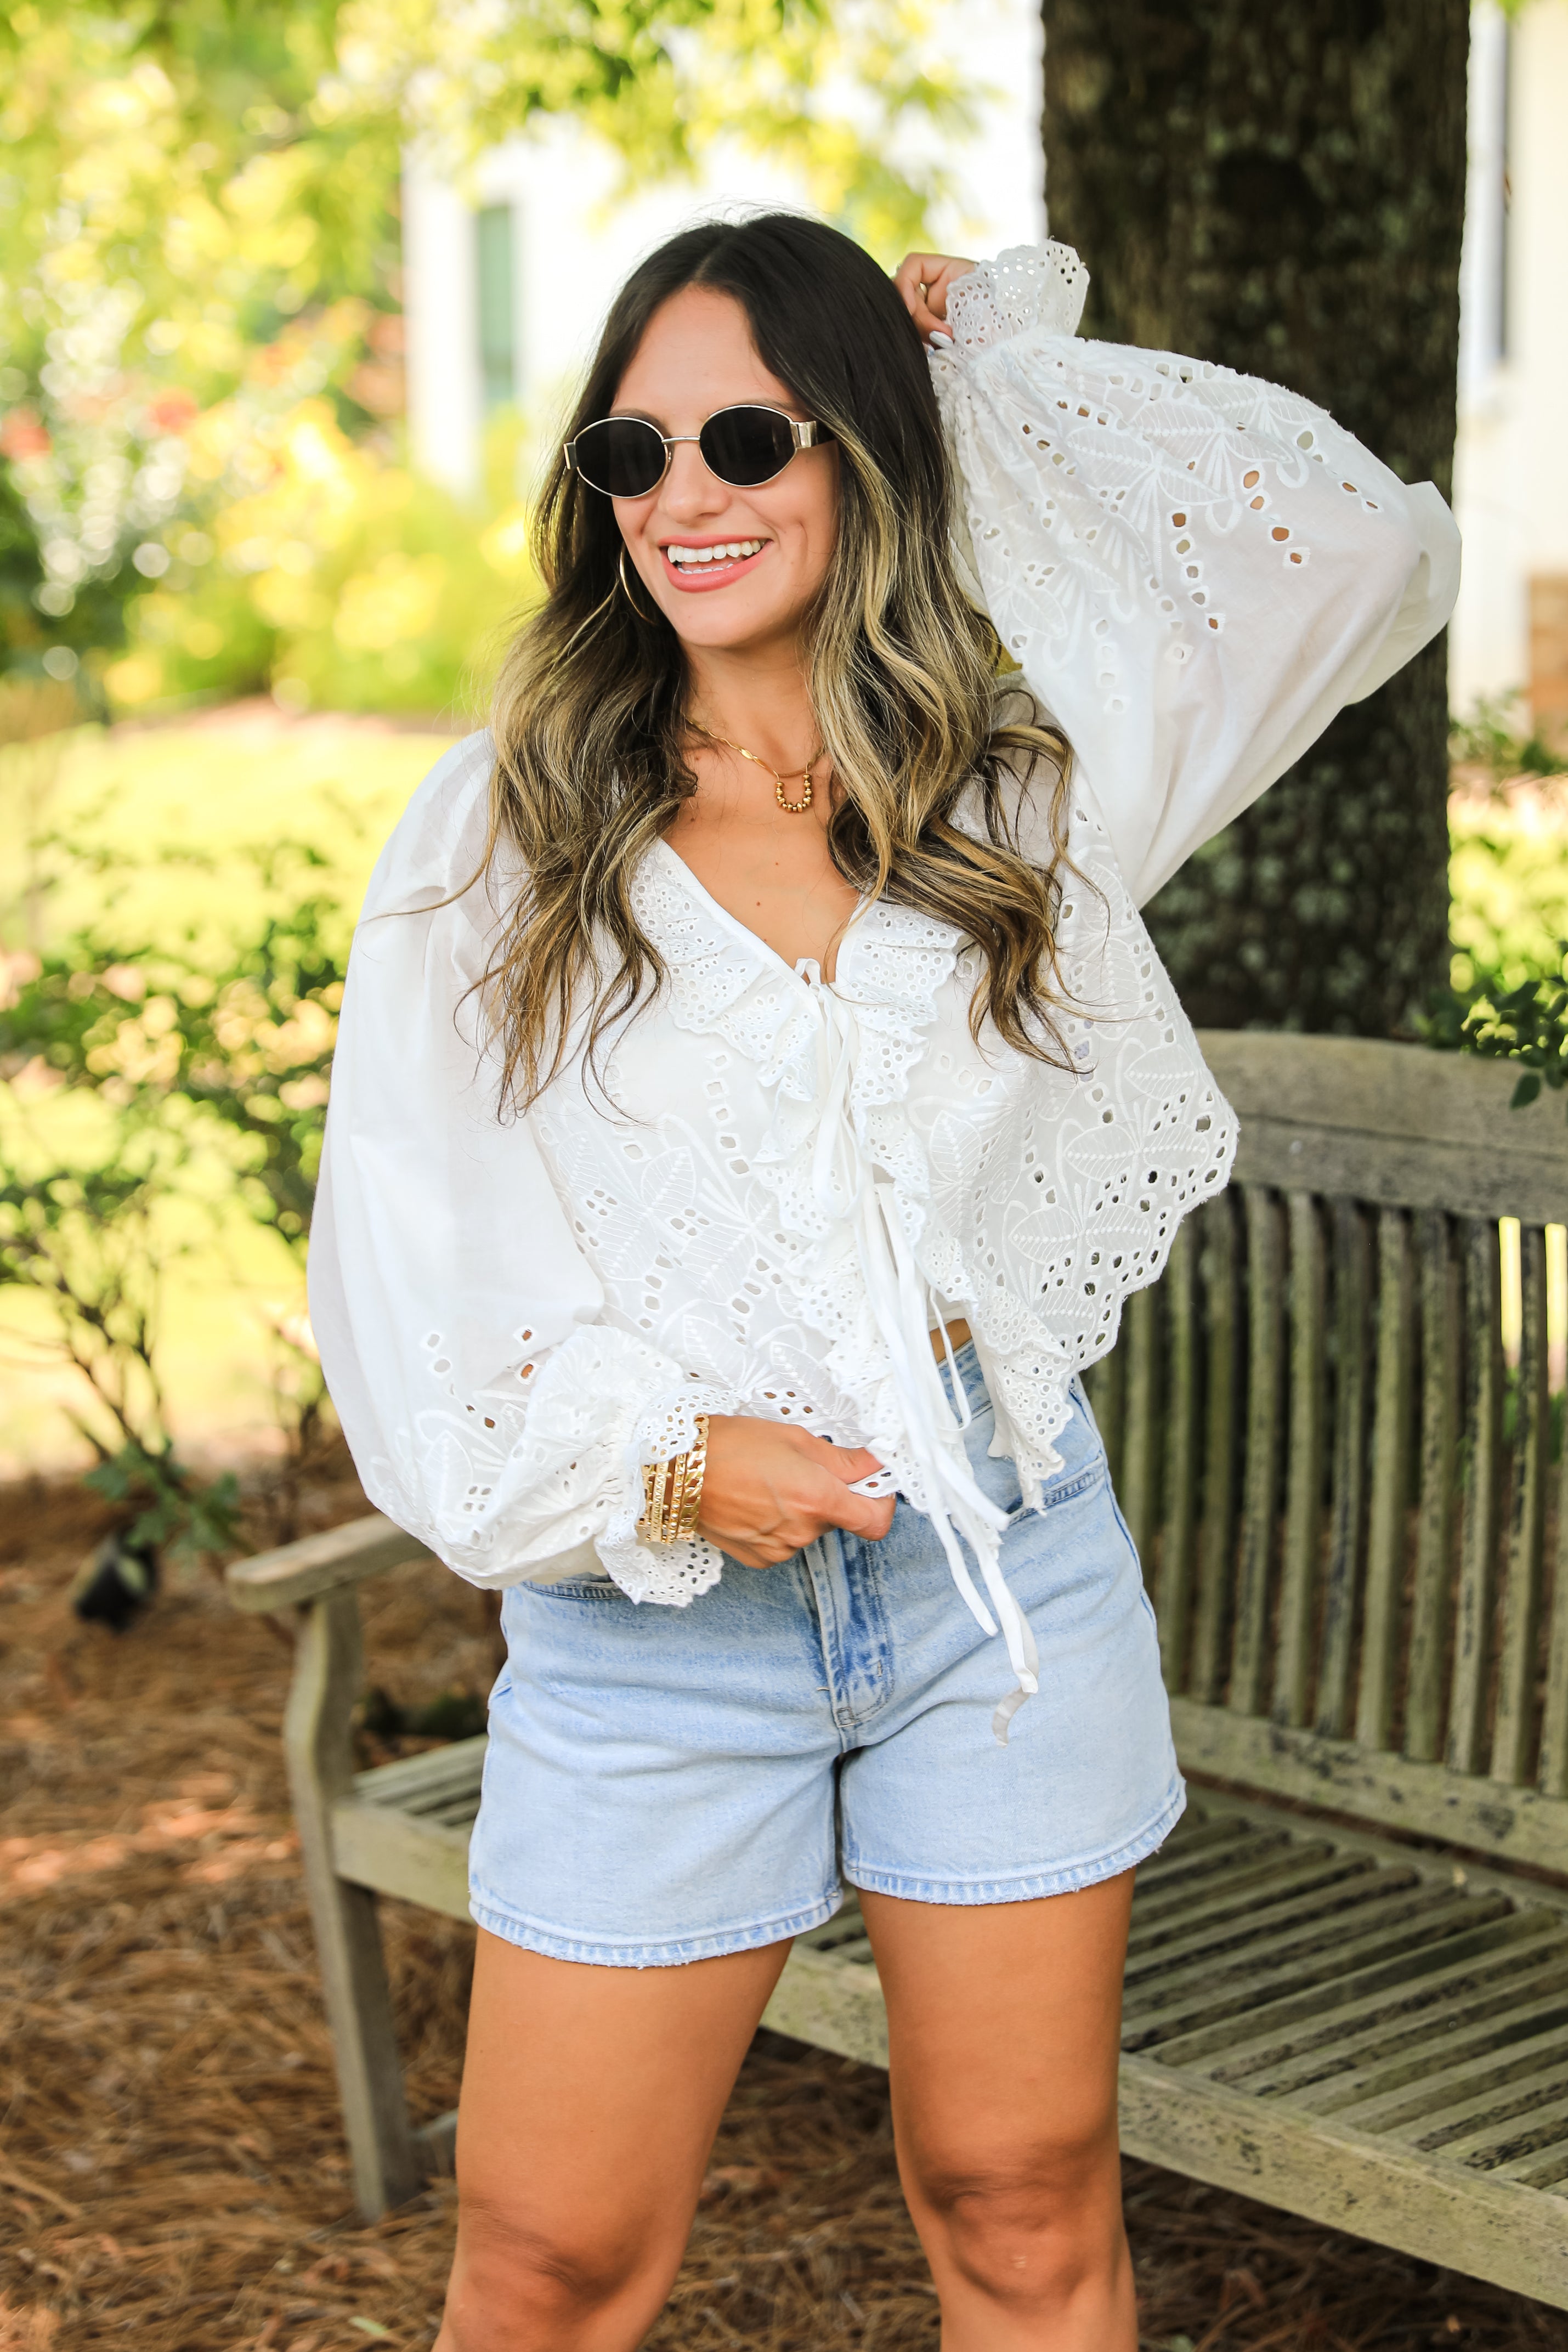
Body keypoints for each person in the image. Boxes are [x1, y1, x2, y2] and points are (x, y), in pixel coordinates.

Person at [309, 215, 1458, 2351]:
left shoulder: (1020, 776)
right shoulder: (496, 842)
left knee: (1021, 2210)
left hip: (996, 1574)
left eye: (750, 431)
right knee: (551, 2268)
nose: (684, 496)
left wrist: (1002, 375)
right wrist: (662, 1466)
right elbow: (407, 1275)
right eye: (629, 455)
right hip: (654, 1641)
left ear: (864, 449)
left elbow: (1357, 552)